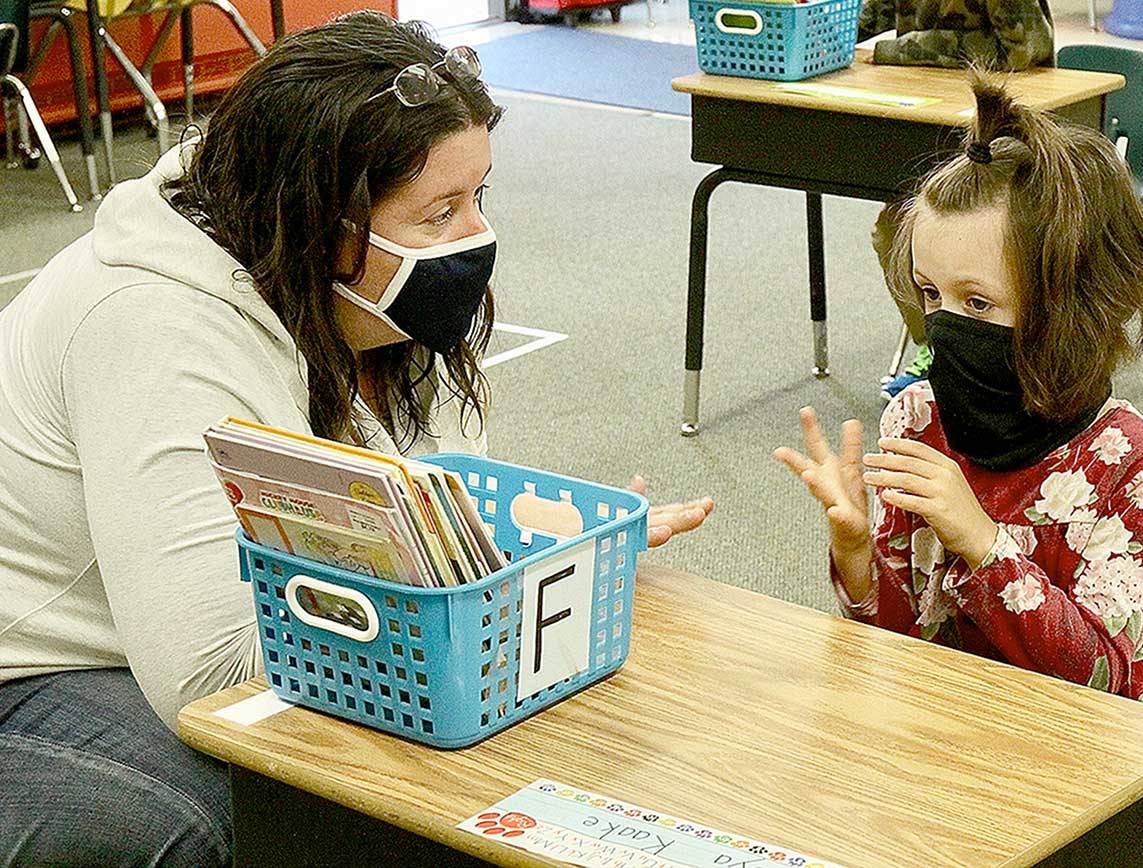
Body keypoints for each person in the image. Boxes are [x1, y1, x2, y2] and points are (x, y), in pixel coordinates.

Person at [0, 13, 711, 865]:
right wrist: (489, 602)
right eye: (439, 211)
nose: (474, 237)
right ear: (321, 221)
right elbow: (208, 674)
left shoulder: (325, 277)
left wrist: (550, 555)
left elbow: (430, 492)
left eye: (477, 197)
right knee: (232, 817)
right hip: (37, 662)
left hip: (152, 627)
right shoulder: (153, 325)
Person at [775, 74, 1143, 867]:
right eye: (931, 295)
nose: (946, 326)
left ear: (1067, 304)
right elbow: (899, 643)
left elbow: (1106, 683)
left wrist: (983, 540)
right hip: (952, 744)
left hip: (1087, 766)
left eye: (980, 303)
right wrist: (860, 550)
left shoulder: (1130, 464)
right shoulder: (919, 418)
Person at [857, 0, 1056, 398]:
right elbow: (855, 26)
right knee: (895, 230)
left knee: (990, 243)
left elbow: (1023, 50)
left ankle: (1014, 357)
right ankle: (941, 349)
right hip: (929, 118)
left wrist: (900, 50)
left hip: (1013, 138)